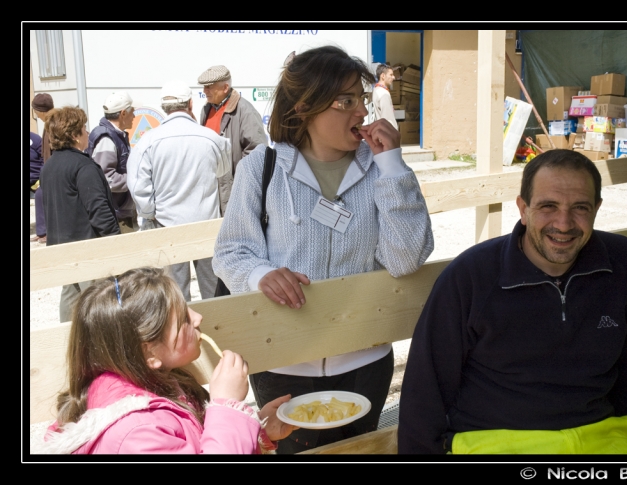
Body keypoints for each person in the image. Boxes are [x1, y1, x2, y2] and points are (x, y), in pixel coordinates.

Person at [212, 45, 434, 454]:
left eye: (361, 99)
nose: (361, 113)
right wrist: (262, 275)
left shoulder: (381, 167)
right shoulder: (262, 167)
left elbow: (406, 258)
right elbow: (231, 253)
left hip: (365, 360)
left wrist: (392, 167)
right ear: (305, 107)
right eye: (345, 101)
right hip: (281, 360)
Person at [398, 149, 627, 455]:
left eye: (580, 208)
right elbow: (424, 391)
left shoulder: (624, 263)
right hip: (495, 443)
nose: (564, 224)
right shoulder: (471, 275)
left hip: (602, 439)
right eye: (548, 206)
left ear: (597, 209)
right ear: (523, 208)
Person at [33, 267, 296, 454]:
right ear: (149, 353)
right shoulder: (134, 433)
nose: (198, 318)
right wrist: (227, 407)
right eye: (183, 319)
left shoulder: (160, 385)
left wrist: (257, 429)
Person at [127, 81, 231, 302]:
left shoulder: (148, 141)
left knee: (174, 293)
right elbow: (223, 171)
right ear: (190, 103)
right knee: (212, 290)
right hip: (206, 224)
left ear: (164, 107)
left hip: (167, 224)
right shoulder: (212, 139)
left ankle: (179, 335)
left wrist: (149, 213)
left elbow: (138, 187)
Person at [40, 106, 121, 323]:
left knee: (70, 302)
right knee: (97, 306)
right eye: (83, 129)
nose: (87, 133)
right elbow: (99, 210)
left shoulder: (49, 166)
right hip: (88, 249)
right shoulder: (84, 166)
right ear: (75, 136)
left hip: (62, 248)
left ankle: (68, 348)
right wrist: (116, 242)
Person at [197, 65, 268, 216]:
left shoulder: (245, 110)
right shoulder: (206, 109)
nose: (204, 91)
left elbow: (258, 152)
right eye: (204, 87)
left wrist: (238, 183)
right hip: (211, 193)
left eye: (209, 87)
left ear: (225, 88)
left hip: (234, 193)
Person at [86, 91, 139, 233]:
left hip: (119, 210)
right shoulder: (107, 139)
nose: (134, 116)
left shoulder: (115, 135)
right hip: (116, 214)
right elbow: (107, 179)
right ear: (123, 114)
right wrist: (137, 179)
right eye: (132, 112)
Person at [30, 93, 55, 244]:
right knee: (40, 195)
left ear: (40, 111)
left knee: (41, 194)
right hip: (47, 169)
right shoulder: (48, 123)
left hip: (54, 169)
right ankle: (42, 232)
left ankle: (45, 232)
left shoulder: (53, 123)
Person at [29, 131, 46, 244]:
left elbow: (44, 157)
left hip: (37, 177)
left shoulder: (34, 139)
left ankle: (43, 232)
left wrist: (43, 176)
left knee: (41, 193)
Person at [372, 64, 398, 130]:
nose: (394, 77)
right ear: (383, 76)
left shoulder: (376, 90)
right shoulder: (384, 94)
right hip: (387, 135)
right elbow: (388, 120)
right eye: (391, 75)